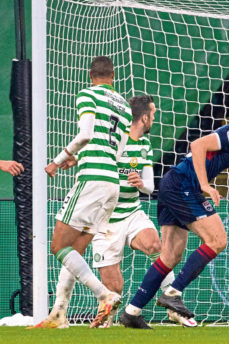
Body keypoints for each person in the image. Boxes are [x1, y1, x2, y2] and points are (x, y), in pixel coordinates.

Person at [29, 95, 195, 329]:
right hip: (105, 221)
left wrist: (140, 183)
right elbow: (95, 152)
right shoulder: (114, 140)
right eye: (153, 115)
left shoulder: (144, 145)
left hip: (131, 212)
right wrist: (74, 159)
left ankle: (173, 305)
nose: (154, 119)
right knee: (113, 288)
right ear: (144, 117)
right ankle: (64, 311)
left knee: (156, 246)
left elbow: (149, 186)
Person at [119, 101, 229, 329]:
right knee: (218, 240)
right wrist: (205, 184)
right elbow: (199, 145)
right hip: (184, 186)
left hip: (171, 185)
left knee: (170, 257)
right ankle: (173, 292)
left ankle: (132, 311)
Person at [44, 56, 131, 328]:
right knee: (76, 250)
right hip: (111, 185)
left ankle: (104, 295)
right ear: (113, 75)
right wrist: (79, 159)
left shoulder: (88, 95)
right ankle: (59, 313)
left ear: (90, 74)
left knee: (58, 246)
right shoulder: (125, 107)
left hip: (91, 181)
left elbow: (85, 135)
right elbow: (116, 151)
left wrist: (59, 159)